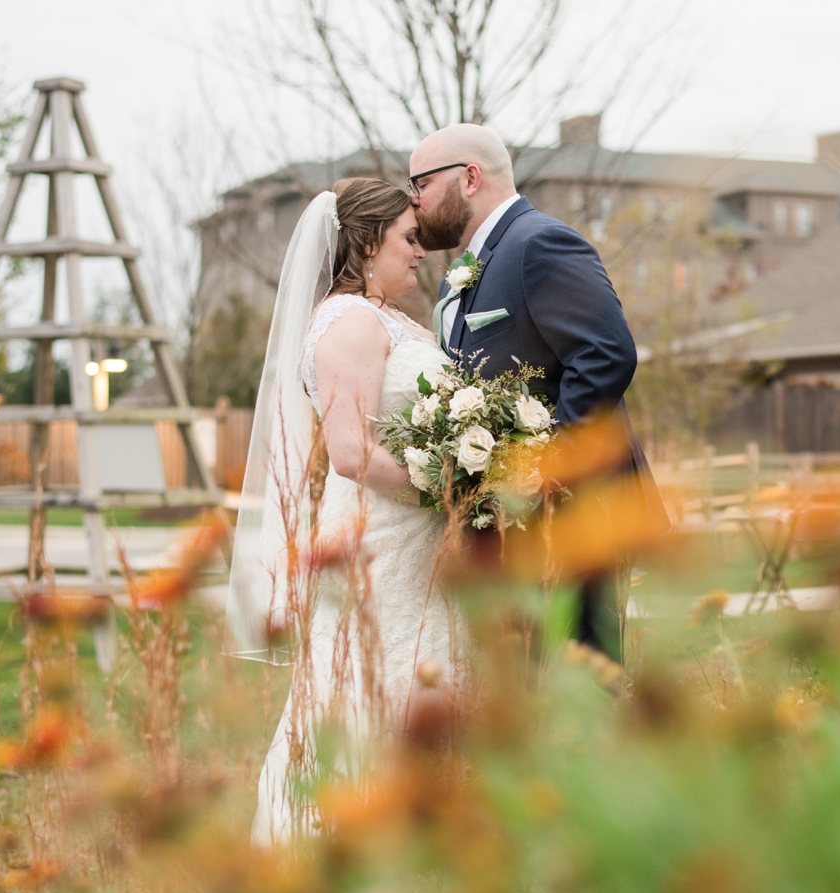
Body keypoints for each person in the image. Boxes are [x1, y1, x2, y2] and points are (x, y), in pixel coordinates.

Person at [225, 177, 457, 846]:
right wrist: (442, 488)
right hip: (379, 542)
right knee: (370, 694)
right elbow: (353, 451)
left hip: (410, 544)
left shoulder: (385, 318)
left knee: (414, 687)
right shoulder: (349, 320)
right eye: (409, 239)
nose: (421, 253)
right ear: (364, 241)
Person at [408, 123, 667, 662]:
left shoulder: (540, 243)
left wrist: (547, 470)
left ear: (470, 178)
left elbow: (605, 352)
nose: (414, 201)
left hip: (574, 518)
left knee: (583, 683)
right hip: (511, 531)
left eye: (421, 183)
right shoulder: (462, 273)